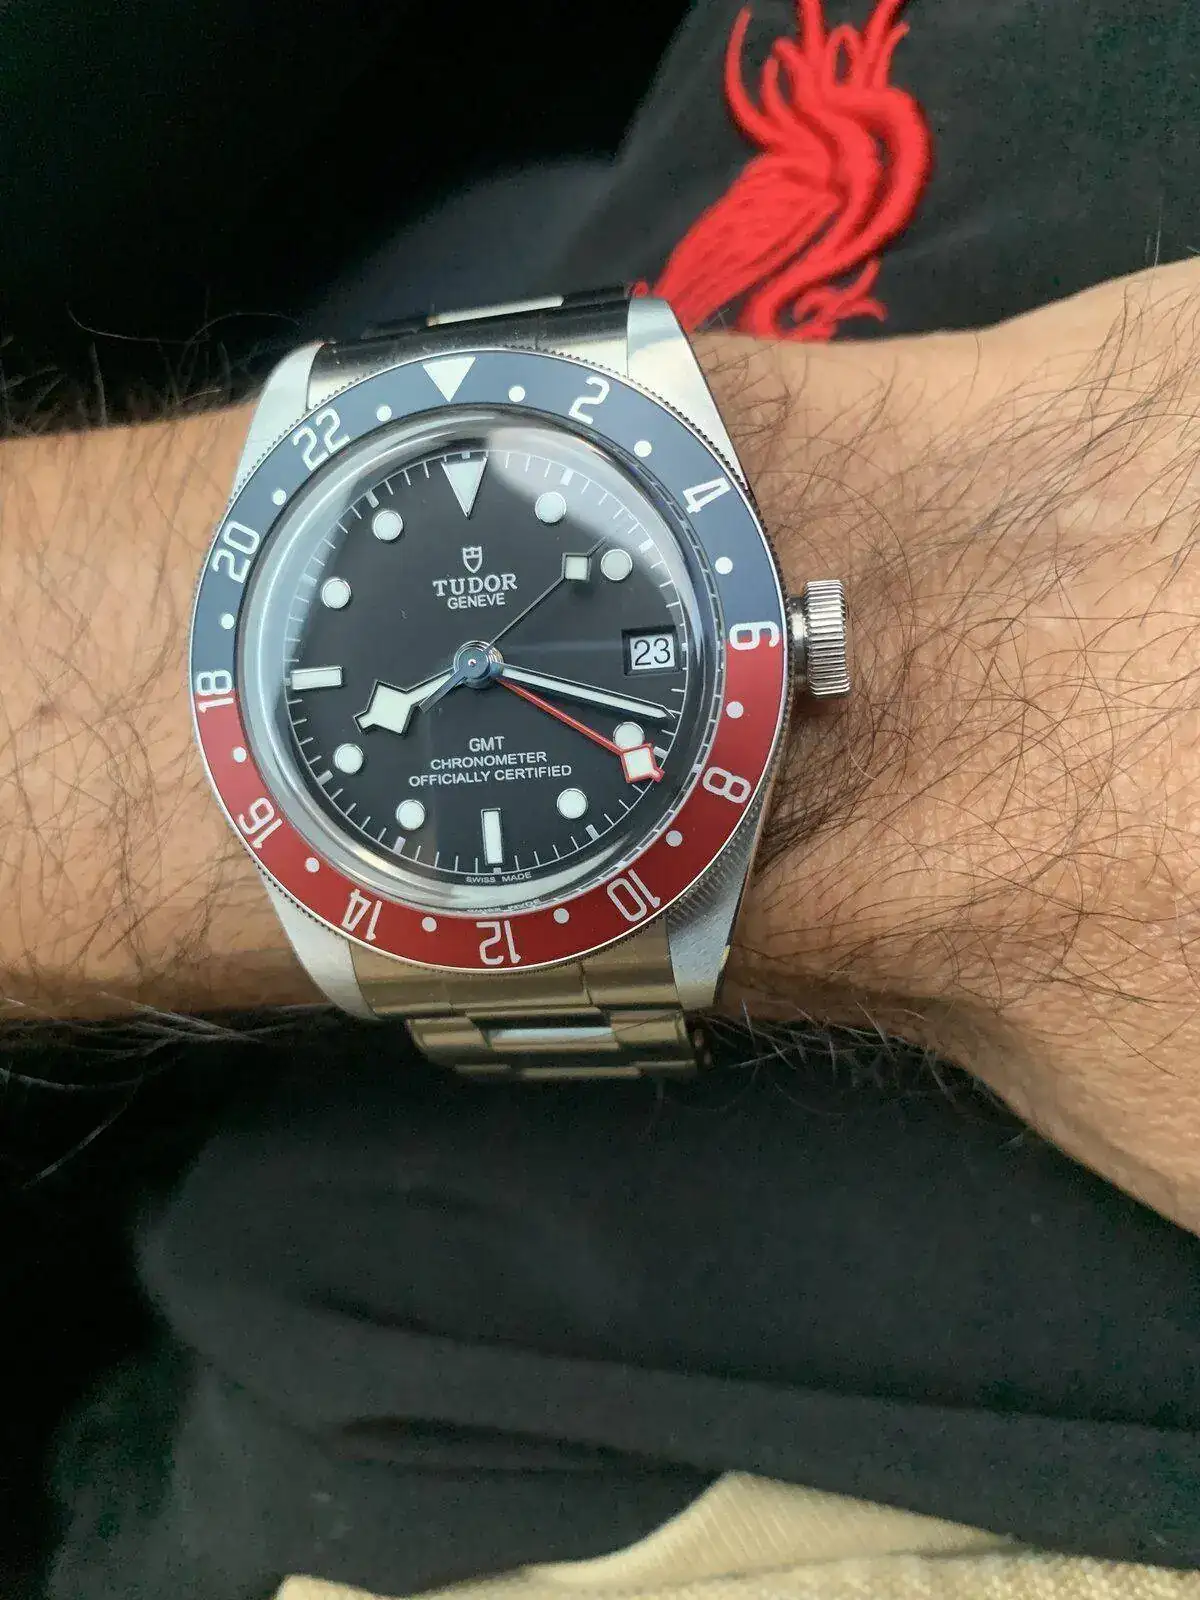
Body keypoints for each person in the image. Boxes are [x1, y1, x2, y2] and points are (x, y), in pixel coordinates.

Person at [6, 0, 1200, 1595]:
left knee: (482, 240)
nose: (481, 670)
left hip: (430, 1457)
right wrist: (908, 530)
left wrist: (914, 688)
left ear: (797, 645)